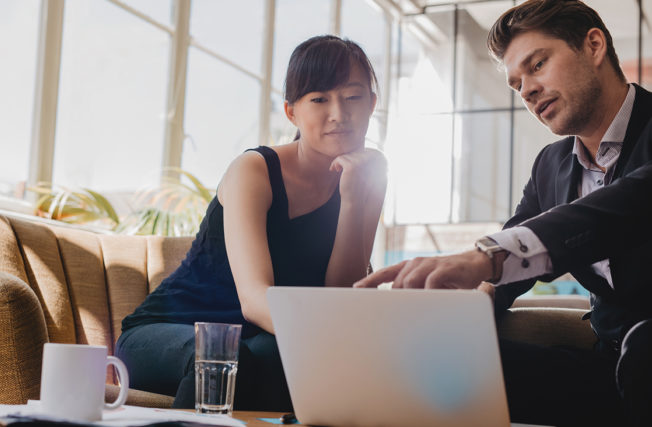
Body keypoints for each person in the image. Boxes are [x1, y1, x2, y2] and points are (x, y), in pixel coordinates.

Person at [355, 1, 652, 425]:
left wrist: (484, 256)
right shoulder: (550, 166)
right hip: (608, 366)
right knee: (439, 363)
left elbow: (620, 209)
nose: (527, 89)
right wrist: (455, 310)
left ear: (594, 45)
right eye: (517, 84)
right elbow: (512, 261)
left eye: (538, 64)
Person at [116, 35, 387, 411]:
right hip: (167, 333)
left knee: (276, 360)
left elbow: (338, 294)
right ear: (292, 112)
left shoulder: (370, 174)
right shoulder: (254, 169)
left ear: (372, 104)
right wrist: (330, 343)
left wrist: (354, 199)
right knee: (223, 359)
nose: (338, 114)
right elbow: (255, 299)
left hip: (260, 340)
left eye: (353, 97)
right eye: (319, 99)